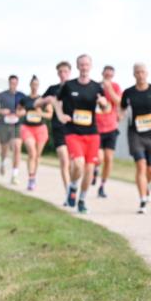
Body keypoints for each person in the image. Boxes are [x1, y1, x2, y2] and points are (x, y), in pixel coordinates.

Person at [40, 54, 109, 214]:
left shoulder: (96, 87)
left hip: (92, 133)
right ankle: (72, 187)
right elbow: (55, 100)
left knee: (90, 169)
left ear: (90, 66)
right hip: (73, 132)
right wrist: (60, 115)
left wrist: (104, 104)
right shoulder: (69, 86)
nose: (84, 67)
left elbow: (105, 108)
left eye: (87, 65)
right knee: (78, 164)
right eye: (81, 65)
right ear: (77, 67)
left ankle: (82, 200)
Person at [120, 63, 151, 213]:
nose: (140, 75)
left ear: (147, 73)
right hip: (135, 133)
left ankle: (145, 185)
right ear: (134, 74)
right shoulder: (128, 92)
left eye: (142, 72)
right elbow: (122, 107)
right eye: (137, 72)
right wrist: (120, 114)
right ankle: (142, 200)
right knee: (141, 165)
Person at [42, 61, 73, 201]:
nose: (63, 74)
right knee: (64, 160)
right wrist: (47, 106)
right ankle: (68, 193)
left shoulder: (76, 87)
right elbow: (39, 103)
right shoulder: (52, 89)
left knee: (74, 163)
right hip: (58, 127)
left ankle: (73, 187)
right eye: (60, 71)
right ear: (57, 73)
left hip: (74, 128)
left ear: (70, 72)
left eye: (65, 71)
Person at [0, 75, 26, 184]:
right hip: (4, 125)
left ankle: (14, 175)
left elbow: (26, 109)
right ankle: (2, 163)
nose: (13, 85)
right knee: (4, 149)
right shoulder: (2, 95)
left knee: (17, 147)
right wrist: (0, 111)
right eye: (11, 83)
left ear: (17, 83)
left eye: (15, 83)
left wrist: (20, 113)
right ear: (9, 83)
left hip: (16, 125)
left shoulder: (21, 96)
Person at [19, 75, 52, 191]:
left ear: (38, 86)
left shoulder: (43, 99)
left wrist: (40, 113)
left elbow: (50, 114)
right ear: (30, 85)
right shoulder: (25, 99)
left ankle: (33, 177)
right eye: (33, 84)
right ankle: (31, 178)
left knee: (37, 156)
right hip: (27, 128)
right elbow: (18, 111)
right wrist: (21, 112)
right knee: (32, 153)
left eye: (36, 85)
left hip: (40, 129)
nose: (34, 87)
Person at [95, 65, 123, 198]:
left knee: (109, 158)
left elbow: (118, 102)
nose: (108, 77)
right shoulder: (95, 86)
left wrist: (109, 88)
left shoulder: (116, 87)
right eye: (106, 75)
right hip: (96, 127)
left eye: (110, 76)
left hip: (111, 127)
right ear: (102, 74)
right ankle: (95, 169)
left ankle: (102, 185)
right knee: (99, 158)